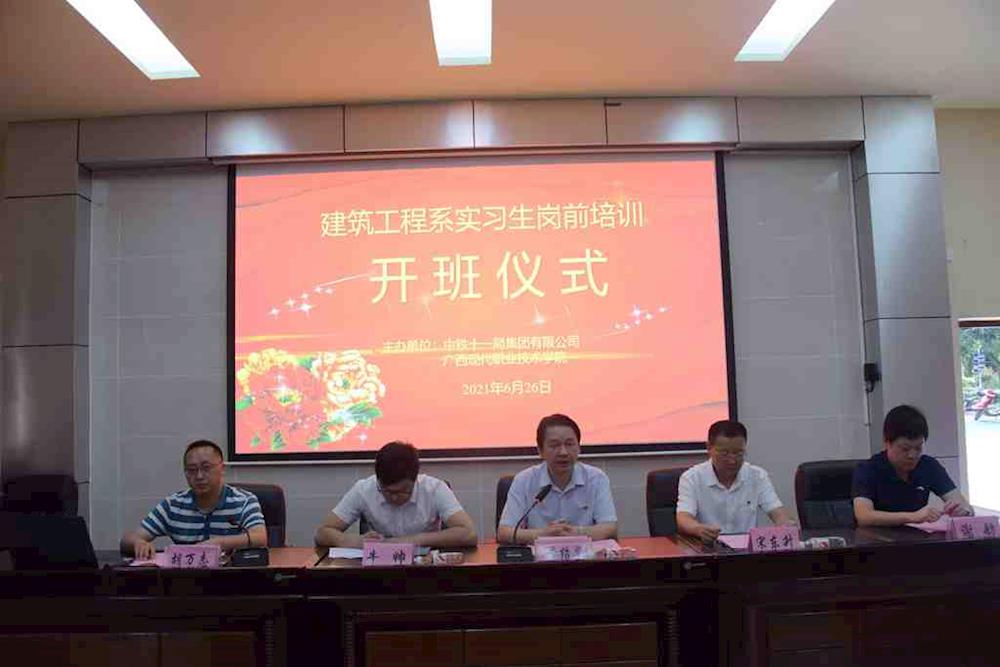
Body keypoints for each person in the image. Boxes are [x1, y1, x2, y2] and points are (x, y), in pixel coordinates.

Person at [121, 440, 266, 560]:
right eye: (192, 470)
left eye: (206, 468)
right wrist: (138, 543)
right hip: (187, 580)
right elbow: (128, 539)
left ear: (222, 469)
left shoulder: (244, 501)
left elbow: (260, 537)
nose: (199, 476)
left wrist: (218, 543)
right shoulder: (173, 505)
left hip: (233, 578)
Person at [315, 441, 477, 548]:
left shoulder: (434, 489)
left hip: (425, 568)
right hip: (379, 569)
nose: (393, 497)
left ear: (415, 479)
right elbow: (322, 533)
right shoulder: (364, 489)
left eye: (402, 491)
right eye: (386, 491)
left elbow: (469, 533)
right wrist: (353, 541)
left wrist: (415, 540)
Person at [497, 414, 617, 543]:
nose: (563, 452)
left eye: (569, 444)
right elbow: (504, 532)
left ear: (579, 448)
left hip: (585, 555)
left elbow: (610, 528)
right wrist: (543, 534)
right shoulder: (524, 480)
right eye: (554, 446)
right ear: (540, 451)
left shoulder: (596, 478)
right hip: (538, 555)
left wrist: (576, 532)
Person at [853, 404, 973, 526]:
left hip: (918, 535)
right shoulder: (868, 469)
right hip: (878, 536)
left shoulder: (928, 466)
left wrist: (963, 511)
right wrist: (913, 517)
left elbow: (964, 505)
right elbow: (864, 516)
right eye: (905, 449)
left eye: (918, 448)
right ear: (887, 442)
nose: (912, 455)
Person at [676, 420, 794, 543]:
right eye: (725, 453)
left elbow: (777, 512)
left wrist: (785, 524)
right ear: (709, 448)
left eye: (738, 453)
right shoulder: (692, 478)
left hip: (747, 550)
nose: (732, 460)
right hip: (708, 548)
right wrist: (698, 529)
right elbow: (683, 518)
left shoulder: (757, 476)